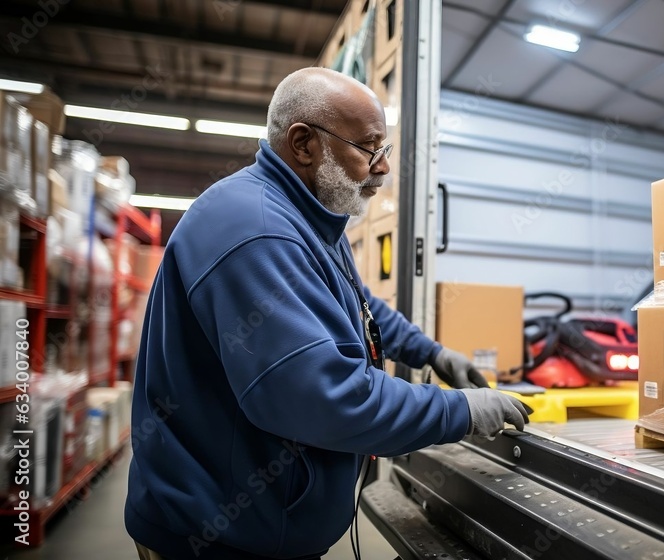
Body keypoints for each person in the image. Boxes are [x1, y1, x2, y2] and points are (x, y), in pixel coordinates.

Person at [125, 68, 531, 560]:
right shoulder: (256, 232)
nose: (382, 168)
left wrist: (432, 352)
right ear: (303, 144)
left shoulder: (306, 217)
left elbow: (356, 301)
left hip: (260, 526)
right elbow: (325, 398)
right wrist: (461, 410)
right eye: (369, 148)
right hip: (216, 537)